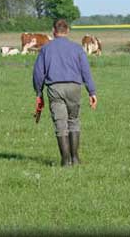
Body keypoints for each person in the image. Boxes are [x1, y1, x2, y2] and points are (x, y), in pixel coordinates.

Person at [33, 19, 97, 167]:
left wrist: (38, 92)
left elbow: (38, 73)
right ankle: (75, 158)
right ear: (67, 31)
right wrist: (92, 92)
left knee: (60, 123)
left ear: (53, 31)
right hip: (74, 87)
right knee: (73, 121)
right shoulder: (77, 48)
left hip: (55, 88)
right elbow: (85, 71)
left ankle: (65, 160)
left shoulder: (46, 49)